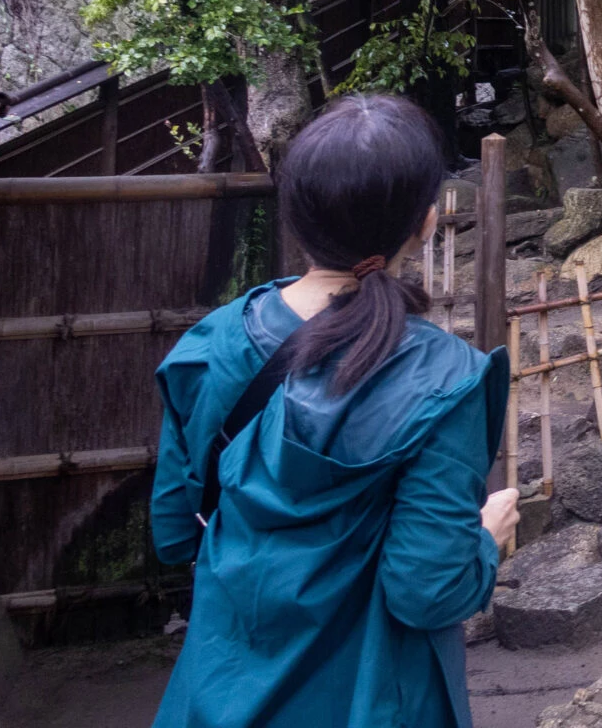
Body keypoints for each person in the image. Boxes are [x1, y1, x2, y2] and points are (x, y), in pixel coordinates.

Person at [149, 94, 518, 728]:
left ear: (297, 218)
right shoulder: (446, 379)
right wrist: (485, 540)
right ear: (426, 222)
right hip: (373, 702)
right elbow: (428, 590)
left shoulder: (210, 345)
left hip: (216, 694)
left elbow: (177, 531)